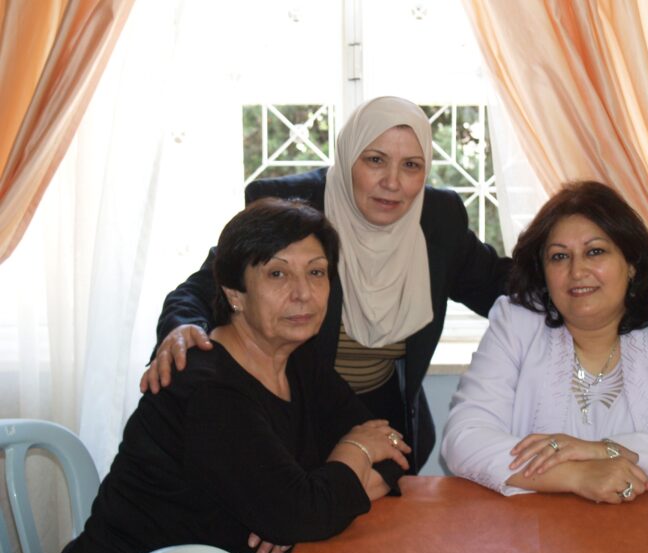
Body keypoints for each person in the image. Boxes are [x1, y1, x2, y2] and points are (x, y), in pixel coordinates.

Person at [141, 96, 512, 472]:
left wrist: (555, 267)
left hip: (382, 419)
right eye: (375, 160)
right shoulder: (293, 208)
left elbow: (501, 286)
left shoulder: (437, 219)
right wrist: (181, 328)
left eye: (411, 165)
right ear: (348, 155)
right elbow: (208, 285)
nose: (392, 182)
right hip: (293, 416)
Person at [55, 198, 410, 553]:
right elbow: (301, 511)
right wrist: (354, 453)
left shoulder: (298, 359)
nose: (303, 293)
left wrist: (315, 510)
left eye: (316, 272)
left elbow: (395, 455)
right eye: (277, 274)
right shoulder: (206, 387)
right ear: (234, 293)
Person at [441, 181, 648, 504]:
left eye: (595, 252)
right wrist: (576, 476)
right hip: (534, 527)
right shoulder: (516, 322)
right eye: (559, 257)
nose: (577, 271)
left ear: (631, 264)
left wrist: (604, 451)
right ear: (544, 273)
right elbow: (464, 438)